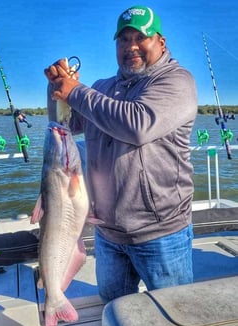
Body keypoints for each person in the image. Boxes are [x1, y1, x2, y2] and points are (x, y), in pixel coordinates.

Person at [44, 5, 198, 303]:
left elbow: (137, 124)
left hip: (161, 234)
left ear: (161, 42)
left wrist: (75, 92)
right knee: (114, 309)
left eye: (141, 37)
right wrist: (56, 90)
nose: (132, 47)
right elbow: (65, 124)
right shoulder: (102, 88)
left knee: (176, 316)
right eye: (123, 40)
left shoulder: (177, 82)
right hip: (108, 235)